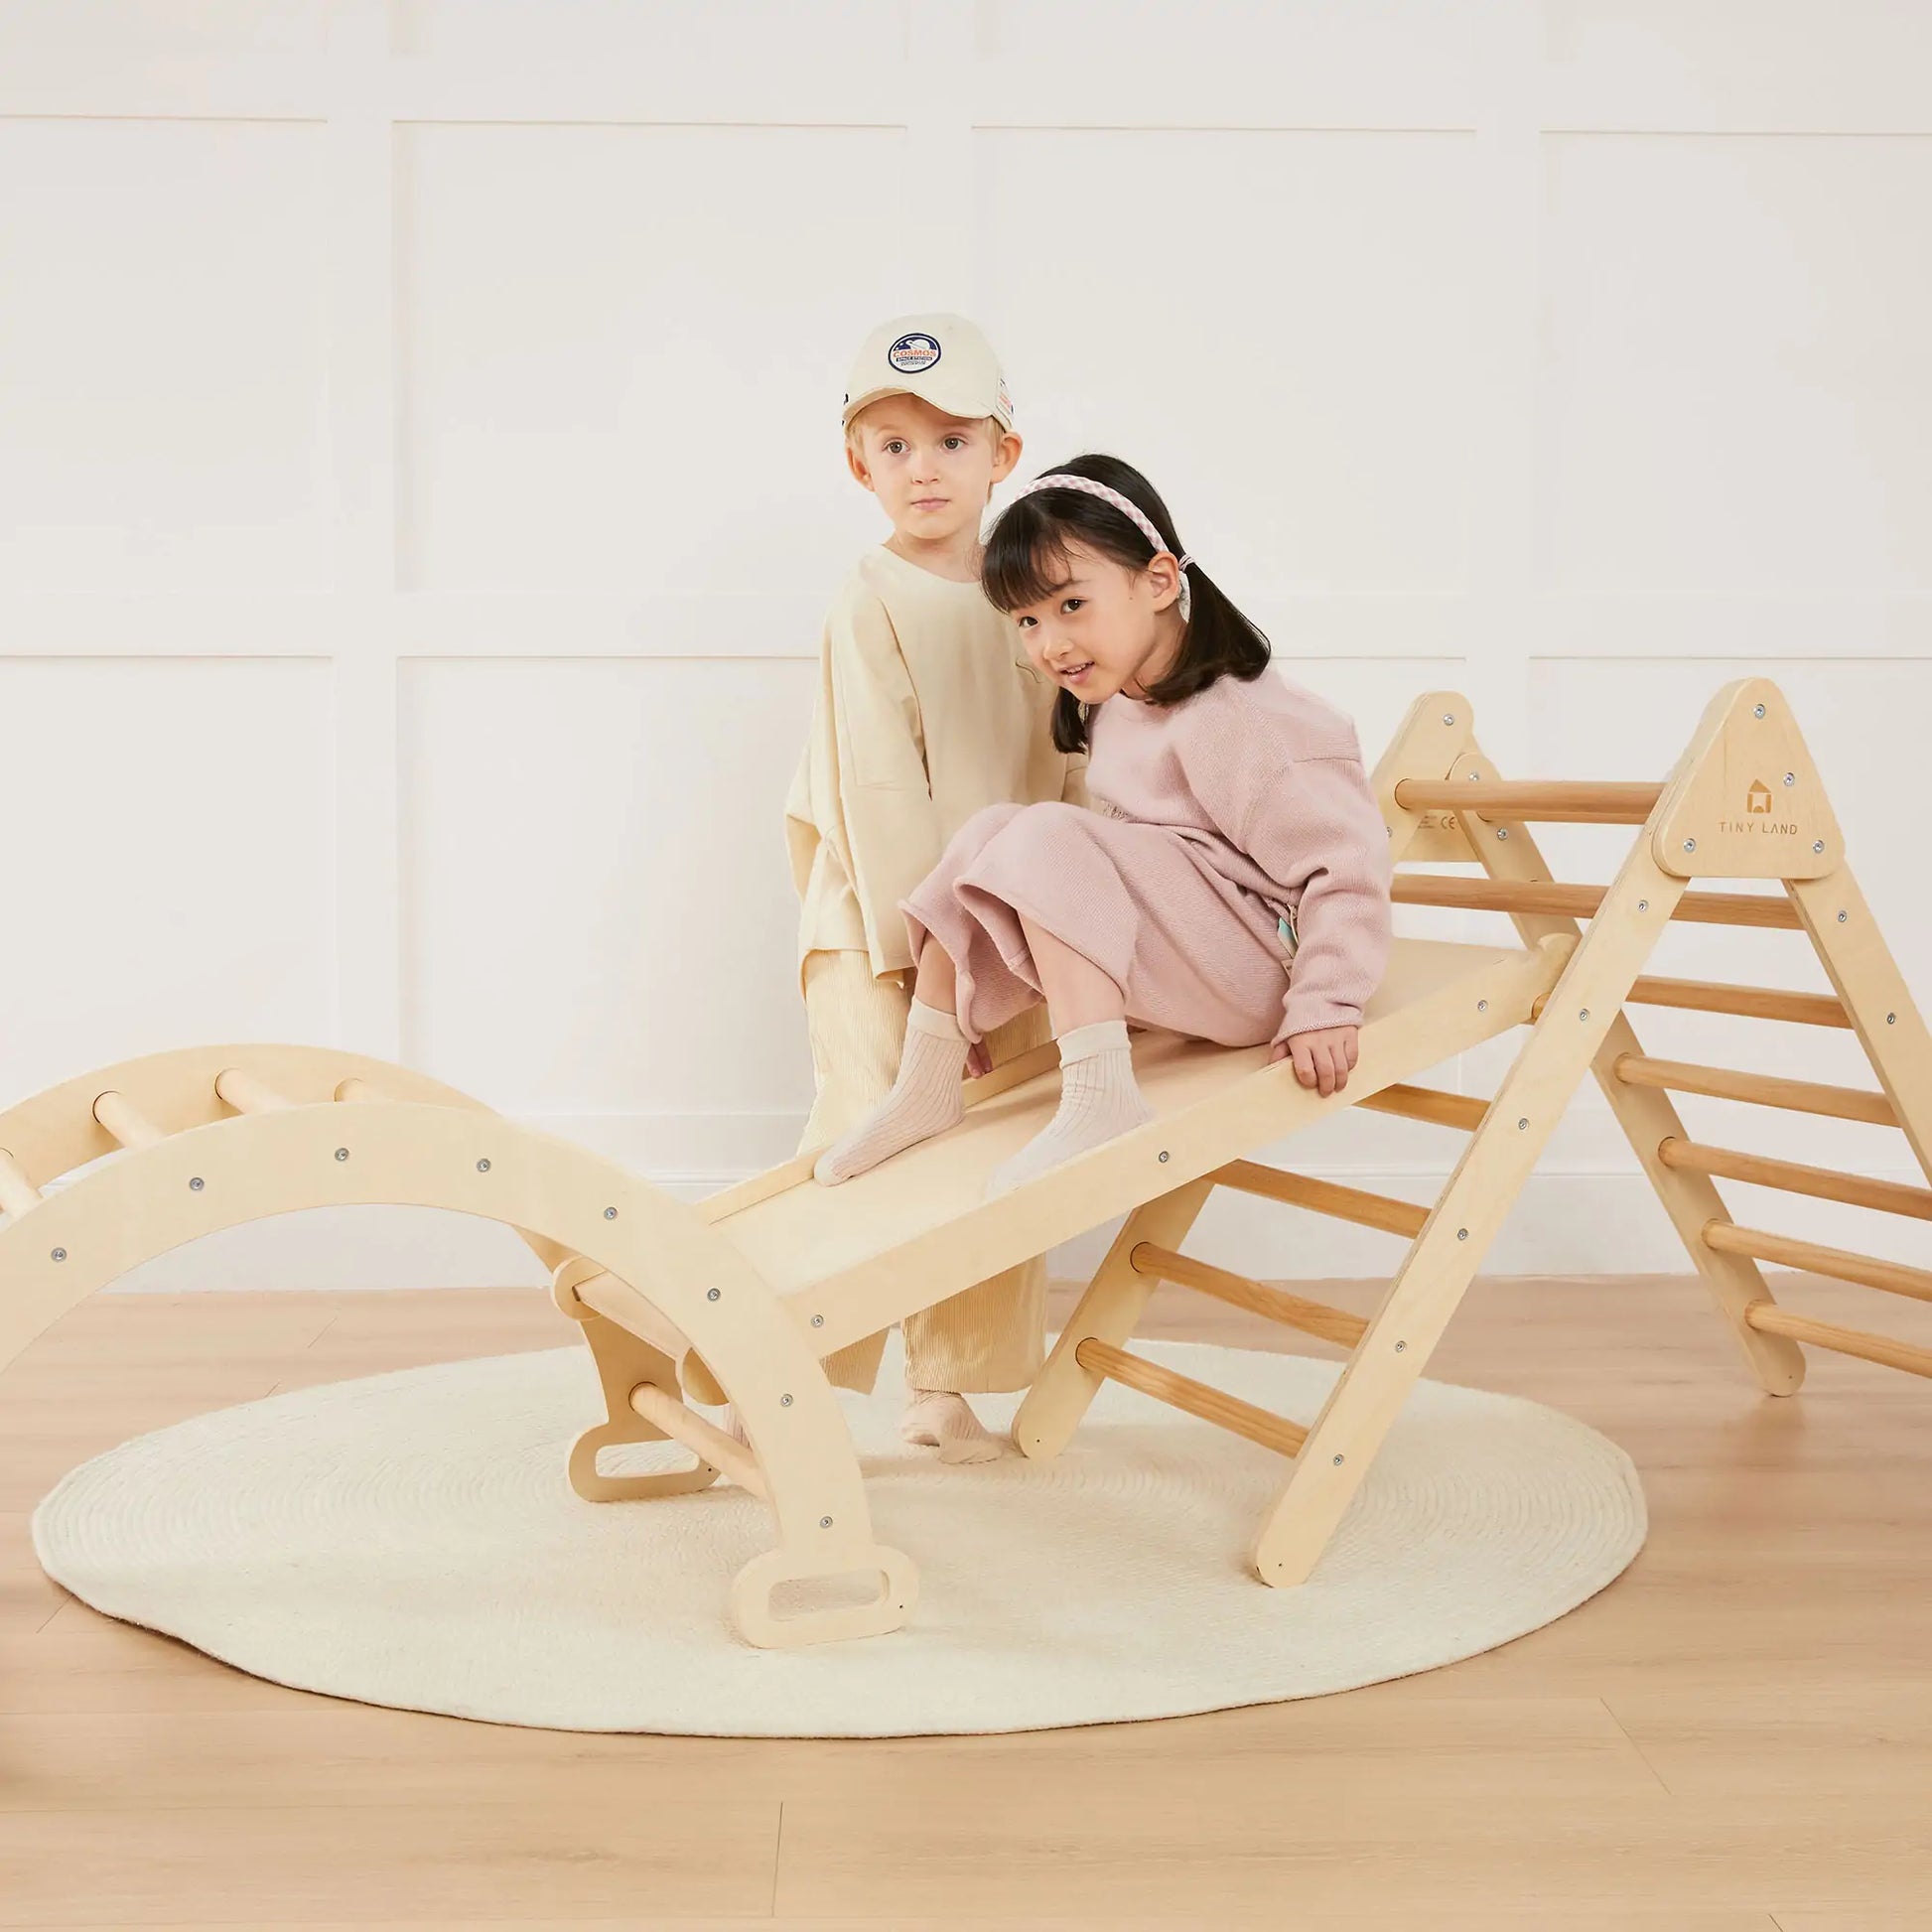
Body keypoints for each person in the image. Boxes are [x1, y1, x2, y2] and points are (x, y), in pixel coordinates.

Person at [814, 453, 1393, 1202]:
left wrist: (1325, 1005)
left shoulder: (1243, 718)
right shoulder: (1117, 707)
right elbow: (1127, 878)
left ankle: (1100, 1097)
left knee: (1044, 835)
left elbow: (1347, 867)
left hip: (1268, 972)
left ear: (1159, 581)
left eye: (1071, 605)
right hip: (1203, 952)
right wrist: (975, 992)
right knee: (993, 833)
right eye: (1028, 621)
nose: (1050, 644)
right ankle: (928, 1080)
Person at [776, 313, 1086, 1461]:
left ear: (1003, 454)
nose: (923, 468)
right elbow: (875, 789)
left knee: (994, 1149)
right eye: (893, 444)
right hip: (880, 933)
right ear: (857, 464)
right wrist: (927, 975)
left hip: (1013, 935)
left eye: (951, 441)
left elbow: (1071, 758)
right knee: (867, 1132)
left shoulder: (1038, 598)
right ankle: (789, 1365)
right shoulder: (869, 599)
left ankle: (947, 1383)